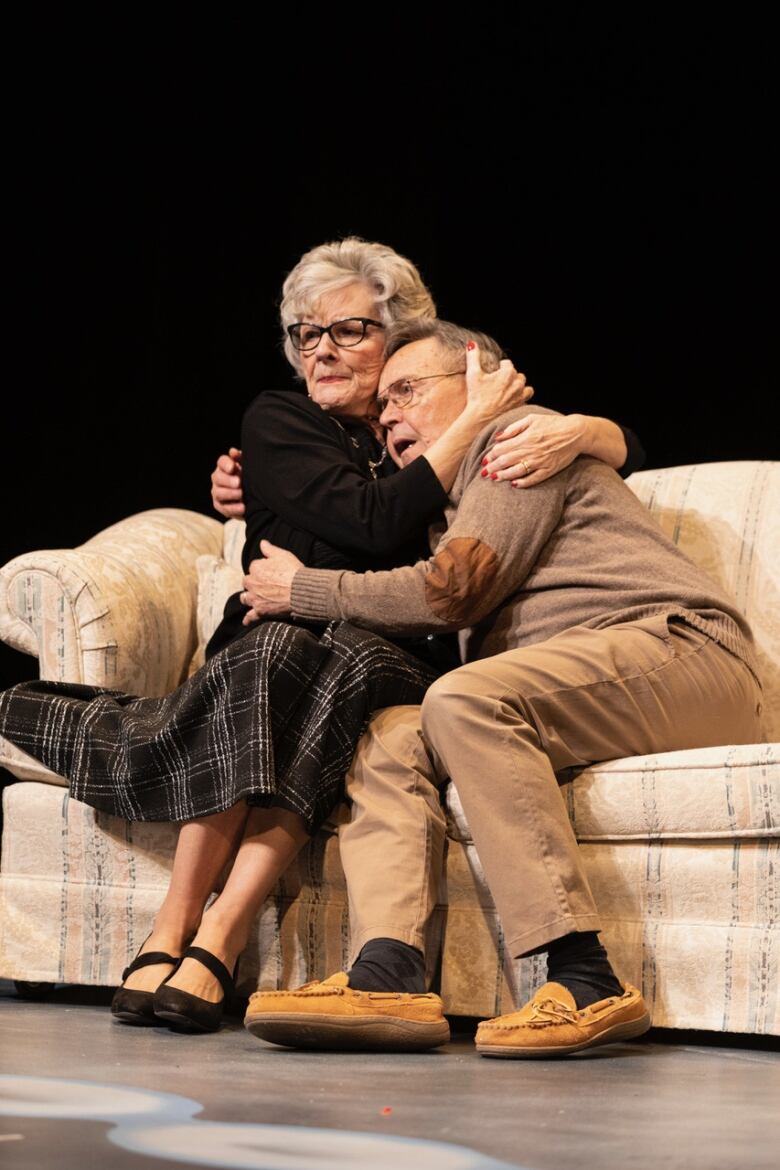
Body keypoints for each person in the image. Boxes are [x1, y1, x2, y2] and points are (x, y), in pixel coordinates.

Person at [0, 240, 642, 1038]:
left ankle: (218, 936)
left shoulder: (434, 432)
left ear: (402, 336)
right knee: (288, 654)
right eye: (307, 334)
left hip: (387, 651)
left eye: (348, 331)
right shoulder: (282, 420)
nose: (323, 350)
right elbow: (369, 524)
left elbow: (544, 486)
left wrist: (586, 428)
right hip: (279, 644)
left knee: (325, 658)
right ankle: (179, 931)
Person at [240, 318, 763, 1058]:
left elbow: (454, 592)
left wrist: (306, 590)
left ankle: (585, 979)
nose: (389, 415)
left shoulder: (516, 440)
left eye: (408, 392)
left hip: (681, 651)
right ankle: (387, 971)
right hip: (583, 674)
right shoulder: (441, 499)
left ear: (478, 378)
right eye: (382, 404)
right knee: (390, 734)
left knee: (465, 698)